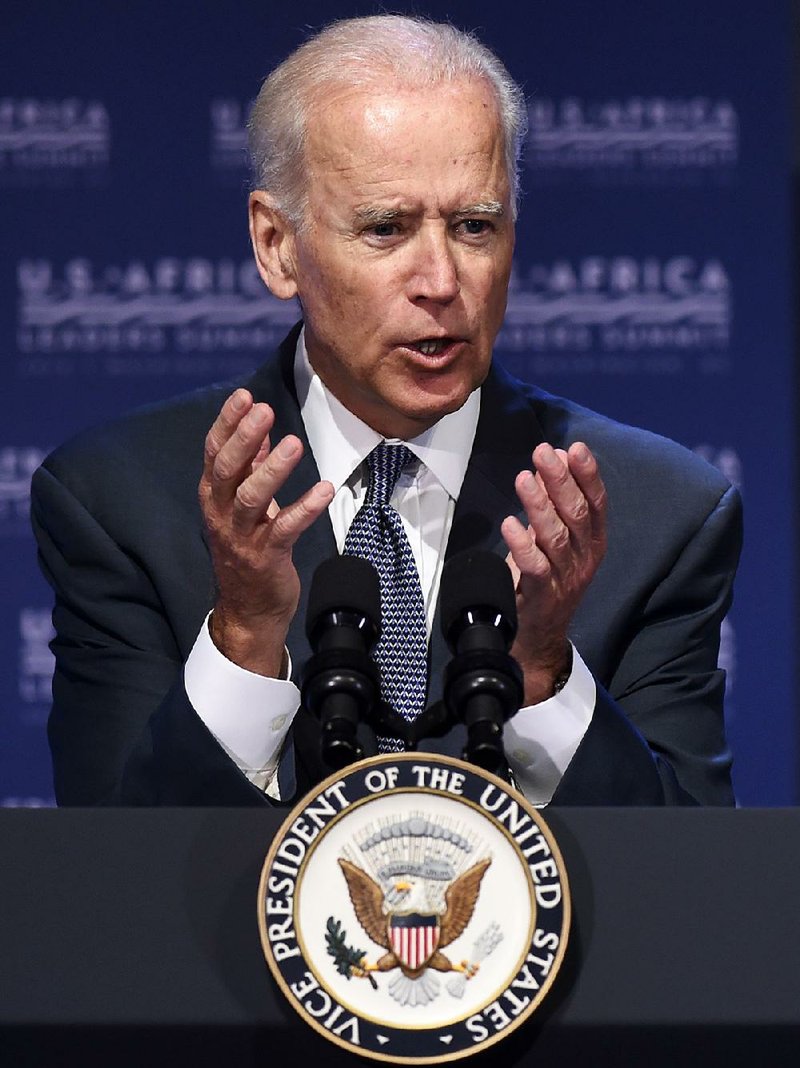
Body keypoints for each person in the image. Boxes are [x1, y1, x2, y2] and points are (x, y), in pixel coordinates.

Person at [31, 15, 741, 807]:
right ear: (276, 246)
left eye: (475, 227)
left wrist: (543, 675)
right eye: (386, 228)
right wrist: (243, 638)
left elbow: (690, 889)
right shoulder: (119, 500)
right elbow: (103, 881)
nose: (440, 279)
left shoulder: (658, 515)